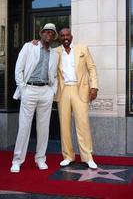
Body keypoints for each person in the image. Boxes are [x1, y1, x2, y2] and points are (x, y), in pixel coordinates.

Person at [10, 23, 59, 173]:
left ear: (53, 36)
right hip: (29, 89)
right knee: (24, 127)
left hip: (46, 91)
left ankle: (40, 159)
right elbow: (19, 69)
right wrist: (23, 89)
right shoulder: (29, 47)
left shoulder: (55, 54)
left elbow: (55, 76)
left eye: (52, 33)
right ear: (41, 33)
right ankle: (17, 161)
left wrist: (52, 91)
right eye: (46, 32)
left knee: (43, 128)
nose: (49, 35)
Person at [56, 28, 98, 169]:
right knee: (64, 125)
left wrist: (94, 87)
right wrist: (35, 43)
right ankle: (68, 156)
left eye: (67, 35)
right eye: (62, 35)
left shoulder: (82, 48)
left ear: (71, 36)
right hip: (63, 91)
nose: (65, 37)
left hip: (81, 90)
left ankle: (87, 157)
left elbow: (91, 68)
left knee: (83, 124)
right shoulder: (55, 52)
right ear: (59, 38)